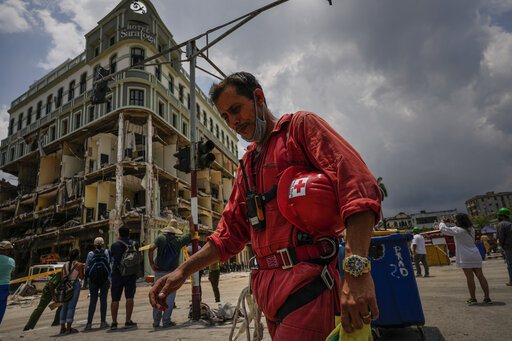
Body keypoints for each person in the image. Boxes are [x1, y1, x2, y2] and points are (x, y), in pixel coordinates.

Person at [149, 72, 381, 339]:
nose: (233, 122)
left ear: (258, 98)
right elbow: (228, 235)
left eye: (236, 110)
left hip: (308, 287)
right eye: (225, 117)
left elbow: (358, 187)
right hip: (267, 295)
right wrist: (182, 271)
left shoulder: (300, 128)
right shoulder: (246, 165)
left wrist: (357, 273)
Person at [440, 214, 492, 305]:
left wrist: (442, 222)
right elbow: (461, 225)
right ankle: (487, 298)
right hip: (475, 255)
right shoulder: (471, 229)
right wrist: (453, 221)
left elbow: (443, 229)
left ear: (459, 221)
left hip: (465, 256)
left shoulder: (458, 230)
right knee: (481, 276)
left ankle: (473, 298)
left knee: (470, 278)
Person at [148, 219, 191, 328]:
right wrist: (190, 220)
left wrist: (152, 264)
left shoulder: (160, 238)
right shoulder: (179, 241)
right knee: (170, 297)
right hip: (172, 274)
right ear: (175, 231)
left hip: (159, 272)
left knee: (157, 296)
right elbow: (192, 233)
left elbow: (151, 248)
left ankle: (156, 322)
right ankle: (166, 321)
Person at [110, 226, 139, 330]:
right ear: (129, 234)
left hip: (117, 274)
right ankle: (127, 321)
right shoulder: (135, 244)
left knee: (115, 299)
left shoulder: (114, 245)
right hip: (131, 274)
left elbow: (111, 258)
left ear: (119, 234)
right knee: (130, 297)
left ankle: (114, 322)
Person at [84, 237, 111, 330]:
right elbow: (108, 264)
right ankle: (102, 322)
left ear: (94, 245)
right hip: (105, 280)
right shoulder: (106, 252)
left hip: (93, 281)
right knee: (103, 301)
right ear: (103, 244)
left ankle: (89, 324)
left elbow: (86, 268)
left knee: (93, 301)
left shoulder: (90, 254)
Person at [59, 248, 84, 334]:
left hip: (65, 286)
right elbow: (81, 277)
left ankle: (62, 328)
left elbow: (62, 277)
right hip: (74, 286)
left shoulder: (64, 265)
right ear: (78, 255)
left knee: (64, 307)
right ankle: (69, 328)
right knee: (71, 307)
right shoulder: (79, 265)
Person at [0, 240, 15, 325]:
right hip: (4, 286)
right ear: (7, 250)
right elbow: (12, 273)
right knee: (1, 308)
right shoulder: (12, 261)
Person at [496, 207, 512, 286]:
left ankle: (511, 280)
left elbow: (501, 238)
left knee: (510, 264)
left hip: (508, 247)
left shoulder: (501, 224)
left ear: (502, 216)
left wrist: (501, 245)